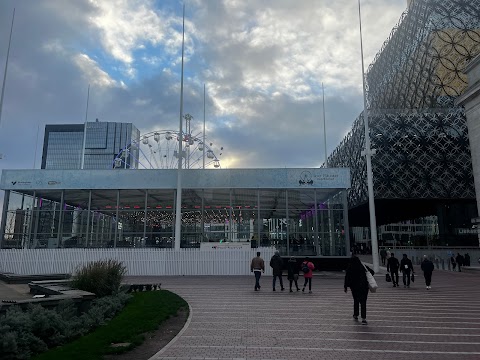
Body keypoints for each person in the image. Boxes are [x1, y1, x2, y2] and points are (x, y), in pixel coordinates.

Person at [344, 255, 374, 325]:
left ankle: (356, 314)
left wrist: (345, 286)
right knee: (363, 302)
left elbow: (347, 277)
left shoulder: (350, 267)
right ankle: (363, 318)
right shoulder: (363, 266)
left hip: (354, 287)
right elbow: (372, 272)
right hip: (364, 287)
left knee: (356, 301)